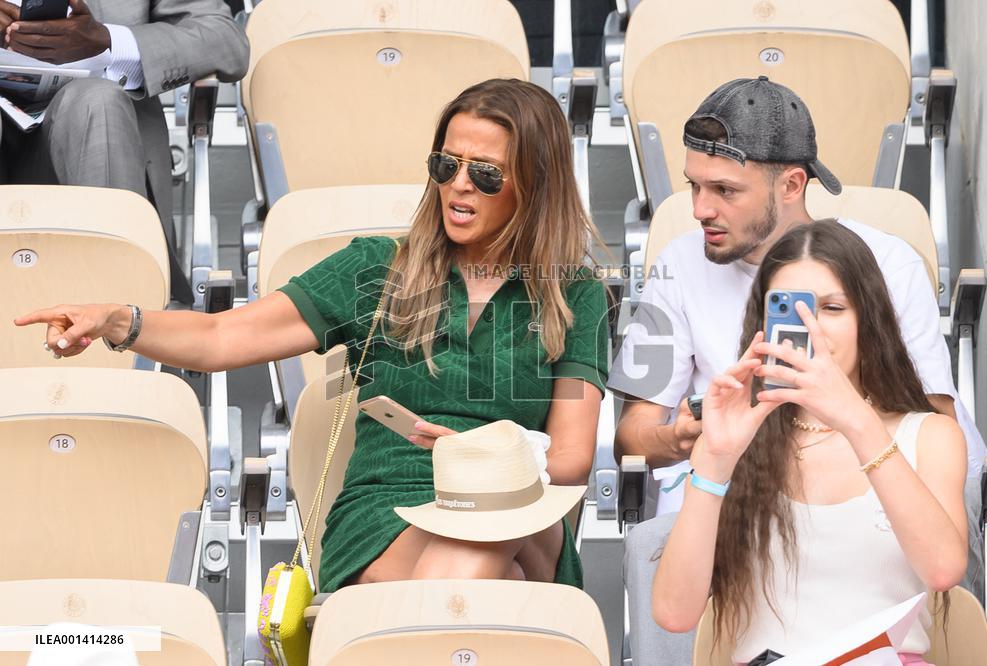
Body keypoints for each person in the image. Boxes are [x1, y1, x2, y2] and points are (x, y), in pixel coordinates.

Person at [14, 78, 610, 591]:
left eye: (484, 174)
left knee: (486, 533)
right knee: (490, 576)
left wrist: (474, 455)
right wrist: (122, 321)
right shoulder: (377, 269)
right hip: (389, 509)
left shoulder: (574, 292)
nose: (457, 185)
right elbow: (221, 339)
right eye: (444, 165)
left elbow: (572, 459)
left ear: (535, 183)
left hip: (516, 507)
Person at [607, 76, 986, 665]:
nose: (701, 208)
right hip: (741, 462)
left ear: (791, 183)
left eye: (725, 191)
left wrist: (846, 410)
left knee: (951, 484)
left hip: (869, 470)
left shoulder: (885, 261)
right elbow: (633, 432)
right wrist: (690, 440)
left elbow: (931, 410)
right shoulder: (676, 264)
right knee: (653, 544)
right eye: (694, 187)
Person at [652, 220, 968, 665]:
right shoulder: (737, 440)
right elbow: (673, 613)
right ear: (764, 325)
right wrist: (716, 461)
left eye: (832, 308)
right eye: (789, 308)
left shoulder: (930, 435)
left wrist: (857, 420)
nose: (810, 329)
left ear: (868, 318)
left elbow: (943, 570)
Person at [0, 0, 251, 303]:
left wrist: (106, 42)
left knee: (97, 100)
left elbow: (225, 38)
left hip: (96, 142)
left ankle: (120, 320)